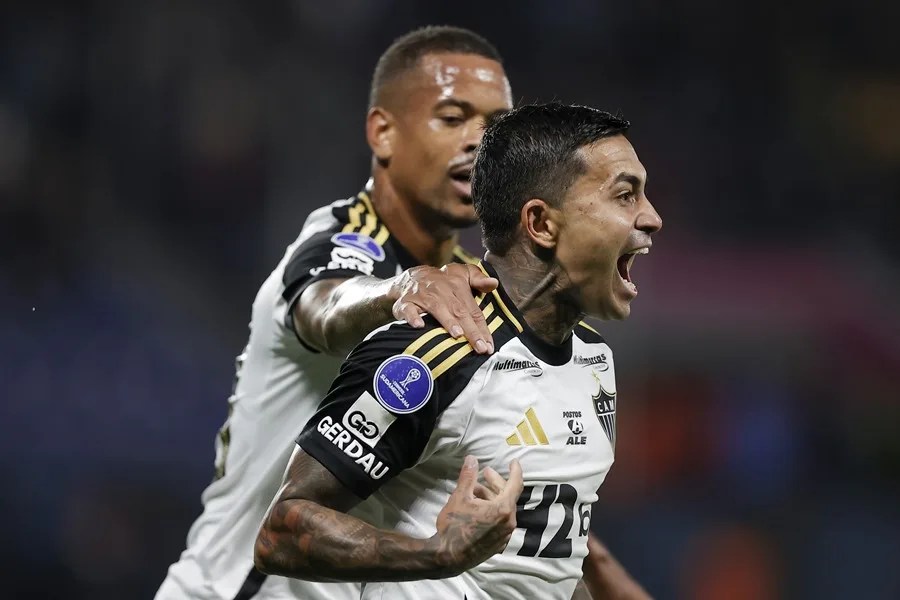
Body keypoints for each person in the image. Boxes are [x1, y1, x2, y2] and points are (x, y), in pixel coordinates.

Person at [155, 26, 512, 600]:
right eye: (453, 118)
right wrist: (399, 289)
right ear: (383, 132)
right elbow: (326, 306)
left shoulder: (473, 287)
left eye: (497, 127)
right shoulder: (345, 242)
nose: (481, 143)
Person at [253, 103, 662, 600]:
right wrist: (438, 554)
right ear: (541, 223)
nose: (652, 218)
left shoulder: (594, 361)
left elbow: (541, 567)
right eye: (625, 194)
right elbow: (284, 529)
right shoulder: (431, 353)